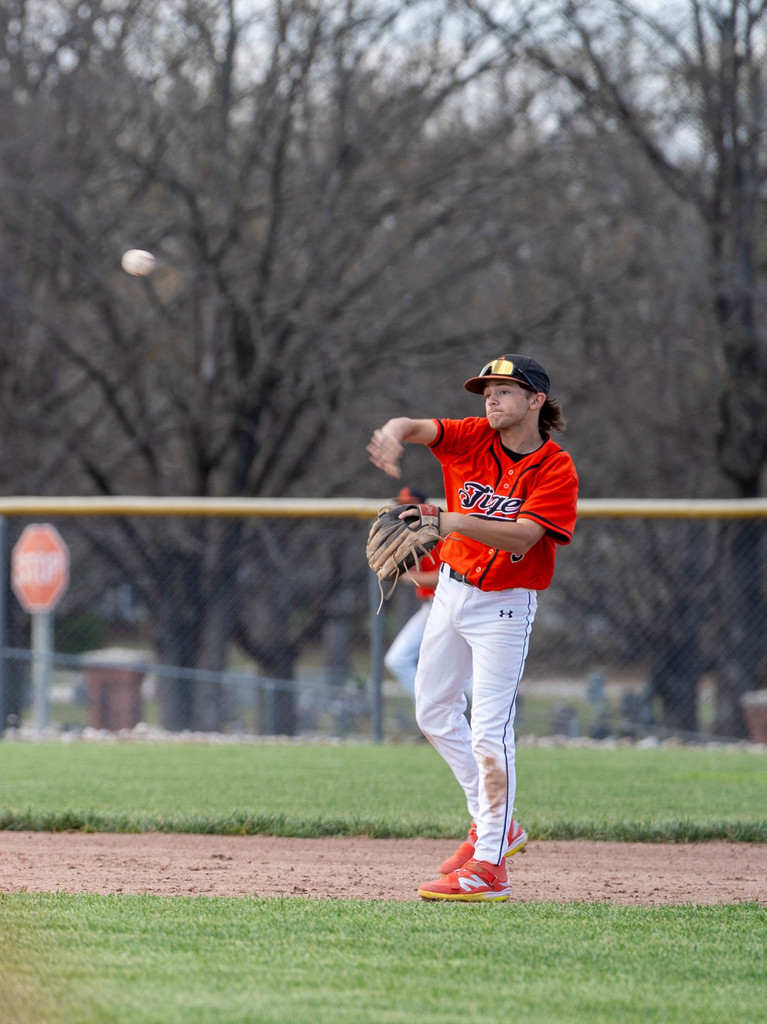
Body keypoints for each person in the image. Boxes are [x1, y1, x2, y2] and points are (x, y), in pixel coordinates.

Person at [367, 353, 578, 901]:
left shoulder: (555, 468)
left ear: (535, 401)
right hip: (451, 593)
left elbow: (523, 535)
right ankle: (497, 826)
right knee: (433, 711)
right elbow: (416, 427)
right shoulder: (471, 436)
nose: (491, 400)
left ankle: (490, 867)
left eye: (504, 391)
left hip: (504, 607)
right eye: (487, 392)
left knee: (489, 730)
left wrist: (446, 519)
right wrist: (393, 432)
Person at [383, 486, 446, 702]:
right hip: (431, 608)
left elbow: (448, 575)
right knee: (450, 667)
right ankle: (434, 709)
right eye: (400, 505)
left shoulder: (437, 534)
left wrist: (410, 576)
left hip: (443, 605)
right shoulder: (413, 536)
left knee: (399, 659)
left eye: (408, 505)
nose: (403, 510)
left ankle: (434, 710)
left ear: (423, 507)